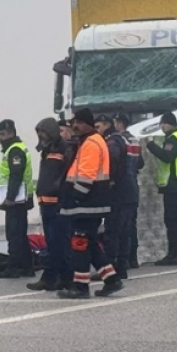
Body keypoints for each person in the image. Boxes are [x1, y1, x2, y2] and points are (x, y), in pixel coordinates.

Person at [58, 109, 122, 298]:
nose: (75, 126)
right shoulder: (88, 141)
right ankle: (111, 279)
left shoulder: (91, 143)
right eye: (73, 123)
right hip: (90, 203)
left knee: (80, 244)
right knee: (90, 243)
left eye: (79, 122)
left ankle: (80, 286)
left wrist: (76, 196)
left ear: (88, 124)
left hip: (86, 203)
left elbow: (86, 174)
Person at [27, 118, 70, 292]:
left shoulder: (64, 149)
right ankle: (56, 278)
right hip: (45, 203)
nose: (41, 136)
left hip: (56, 203)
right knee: (51, 244)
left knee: (58, 243)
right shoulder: (46, 151)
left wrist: (59, 195)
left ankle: (56, 278)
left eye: (43, 132)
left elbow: (64, 176)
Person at [146, 113, 177, 265]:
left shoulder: (175, 138)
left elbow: (167, 157)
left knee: (173, 220)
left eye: (162, 124)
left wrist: (151, 145)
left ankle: (174, 254)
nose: (161, 127)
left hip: (175, 185)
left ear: (168, 124)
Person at [0, 119, 35, 279]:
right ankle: (27, 267)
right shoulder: (15, 148)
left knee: (14, 234)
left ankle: (13, 267)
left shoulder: (15, 150)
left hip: (16, 199)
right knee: (20, 234)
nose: (0, 138)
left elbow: (16, 175)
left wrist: (10, 197)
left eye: (3, 134)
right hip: (21, 198)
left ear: (11, 133)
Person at [99, 115, 134, 278]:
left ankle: (111, 268)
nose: (96, 130)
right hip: (129, 190)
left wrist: (110, 179)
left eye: (98, 126)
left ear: (107, 125)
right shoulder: (126, 140)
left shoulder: (112, 142)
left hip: (118, 193)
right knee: (124, 231)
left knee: (112, 231)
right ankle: (122, 266)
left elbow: (112, 159)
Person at [113, 114, 143, 274]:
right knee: (131, 223)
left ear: (119, 124)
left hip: (123, 186)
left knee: (122, 225)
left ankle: (123, 259)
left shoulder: (119, 140)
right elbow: (141, 163)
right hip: (133, 184)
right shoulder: (135, 140)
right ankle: (133, 257)